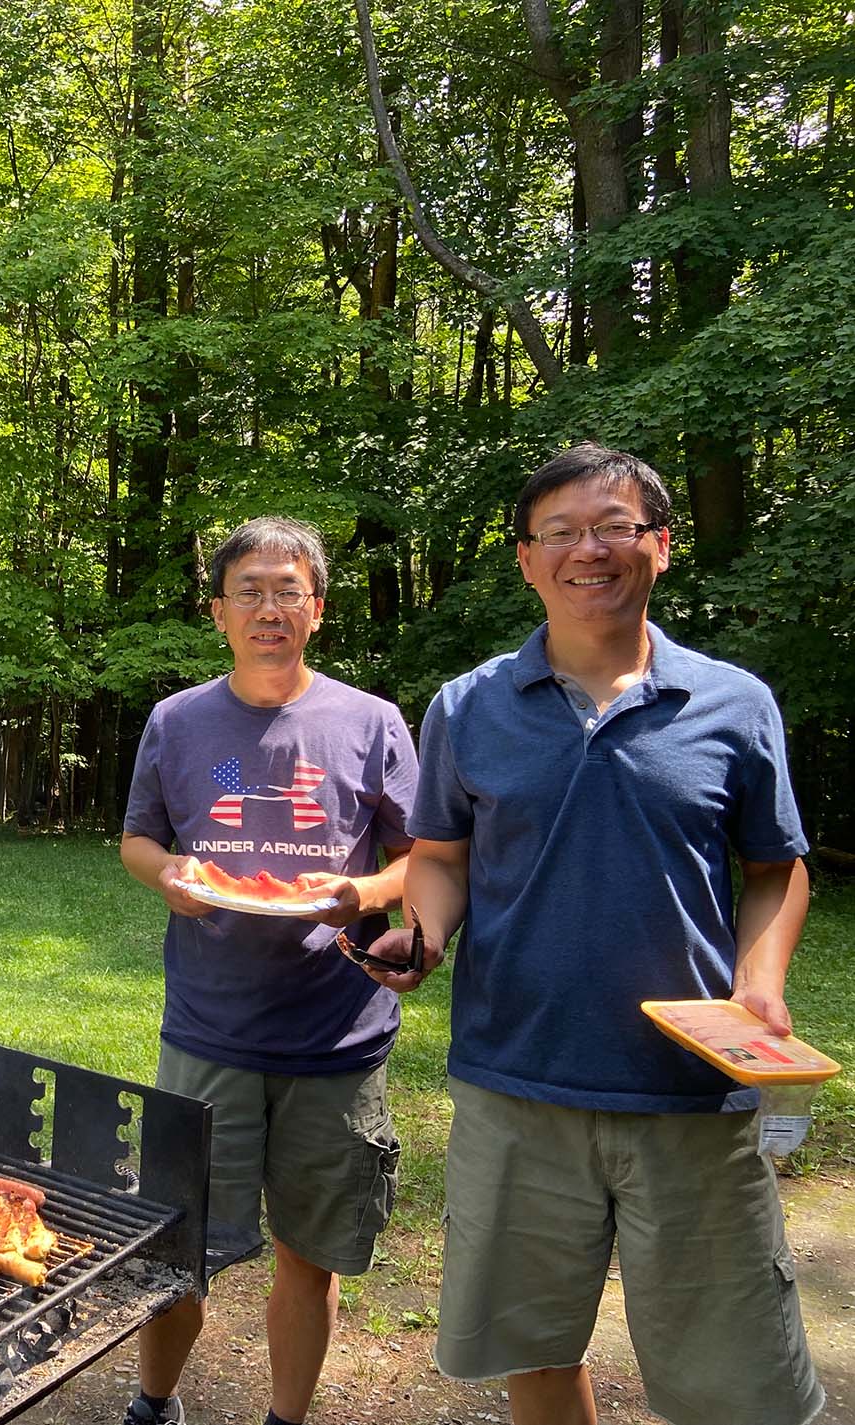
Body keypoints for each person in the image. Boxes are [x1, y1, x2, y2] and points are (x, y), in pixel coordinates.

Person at [360, 443, 822, 1425]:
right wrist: (425, 934)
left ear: (660, 545)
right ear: (526, 560)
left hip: (689, 1090)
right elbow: (439, 856)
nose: (589, 551)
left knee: (733, 1386)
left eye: (614, 527)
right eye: (559, 532)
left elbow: (776, 868)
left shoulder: (734, 704)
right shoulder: (467, 705)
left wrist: (759, 980)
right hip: (515, 1081)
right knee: (533, 1347)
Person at [119, 516, 422, 1425]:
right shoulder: (177, 720)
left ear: (317, 609)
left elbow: (424, 858)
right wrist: (167, 875)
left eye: (288, 589)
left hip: (335, 1034)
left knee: (309, 1253)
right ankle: (153, 1404)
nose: (268, 607)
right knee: (180, 1245)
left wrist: (363, 891)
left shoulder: (371, 722)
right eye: (248, 589)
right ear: (219, 610)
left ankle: (286, 1419)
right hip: (208, 1028)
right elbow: (138, 839)